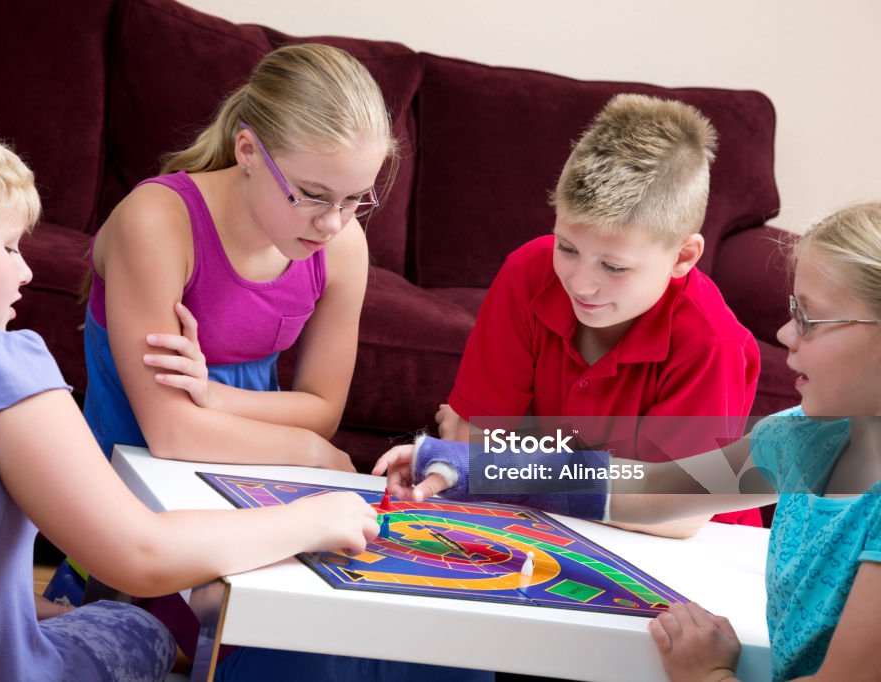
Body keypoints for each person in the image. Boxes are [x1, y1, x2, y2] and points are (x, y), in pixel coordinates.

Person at [0, 106, 382, 681]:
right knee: (135, 626)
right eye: (9, 247)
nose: (26, 273)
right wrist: (316, 517)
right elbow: (141, 557)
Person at [377, 201, 881, 681]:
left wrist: (708, 675)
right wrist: (466, 465)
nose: (785, 333)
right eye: (794, 311)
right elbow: (655, 489)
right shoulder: (807, 437)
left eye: (811, 319)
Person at [434, 93, 762, 531]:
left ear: (684, 256)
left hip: (702, 555)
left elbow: (676, 512)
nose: (581, 283)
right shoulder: (527, 271)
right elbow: (469, 443)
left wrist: (510, 462)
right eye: (567, 248)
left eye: (614, 266)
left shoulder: (710, 341)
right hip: (559, 526)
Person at [83, 43, 394, 471]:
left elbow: (323, 412)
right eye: (313, 196)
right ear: (247, 151)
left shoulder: (342, 246)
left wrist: (213, 396)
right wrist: (312, 453)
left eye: (355, 198)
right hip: (129, 490)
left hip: (249, 479)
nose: (334, 224)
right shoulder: (156, 223)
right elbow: (171, 432)